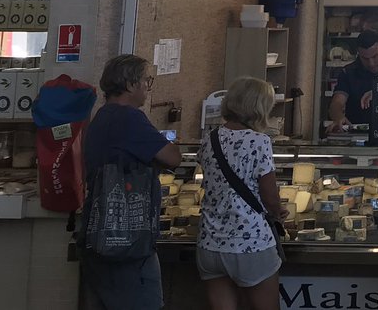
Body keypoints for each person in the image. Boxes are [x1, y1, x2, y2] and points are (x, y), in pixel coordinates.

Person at [81, 54, 182, 310]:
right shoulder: (129, 118)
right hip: (128, 242)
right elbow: (173, 158)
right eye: (147, 81)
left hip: (98, 237)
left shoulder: (102, 117)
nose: (148, 88)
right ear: (130, 84)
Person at [197, 76, 287, 310]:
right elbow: (269, 197)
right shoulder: (259, 141)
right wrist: (279, 211)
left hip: (211, 244)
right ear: (259, 107)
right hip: (250, 243)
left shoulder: (210, 139)